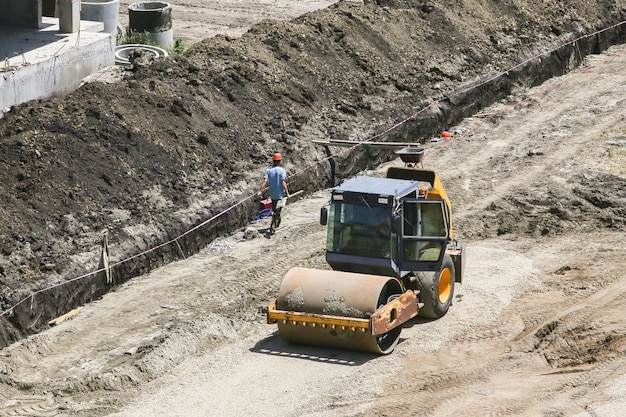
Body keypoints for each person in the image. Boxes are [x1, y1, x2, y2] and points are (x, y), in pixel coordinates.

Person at [259, 152, 290, 233]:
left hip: (272, 195)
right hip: (280, 195)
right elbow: (283, 182)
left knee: (275, 210)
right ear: (280, 161)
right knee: (278, 211)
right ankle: (273, 226)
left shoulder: (269, 170)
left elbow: (265, 181)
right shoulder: (282, 170)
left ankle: (275, 222)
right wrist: (287, 193)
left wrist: (260, 190)